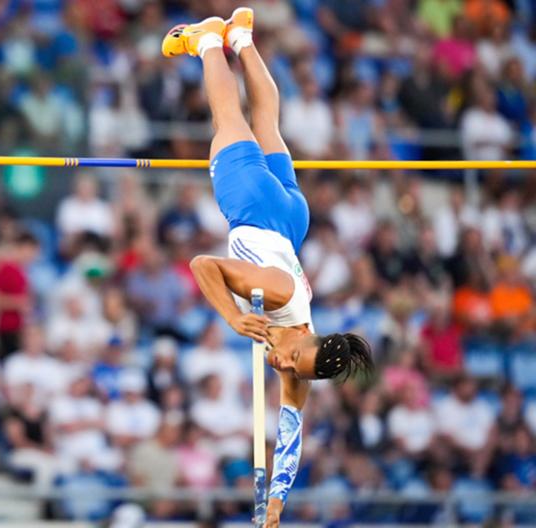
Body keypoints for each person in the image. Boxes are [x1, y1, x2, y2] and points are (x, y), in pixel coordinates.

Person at [162, 9, 374, 525]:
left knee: (267, 123)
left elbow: (290, 437)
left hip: (291, 220)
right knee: (228, 118)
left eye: (288, 369)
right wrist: (233, 319)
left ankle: (243, 37)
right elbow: (203, 264)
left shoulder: (302, 358)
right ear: (307, 339)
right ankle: (210, 42)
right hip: (254, 207)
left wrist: (277, 502)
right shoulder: (278, 297)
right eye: (288, 359)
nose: (280, 365)